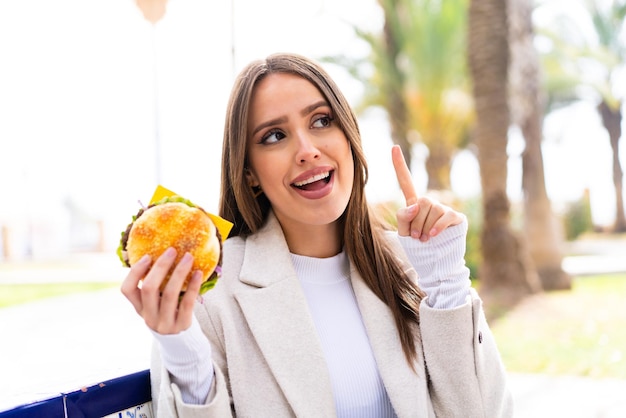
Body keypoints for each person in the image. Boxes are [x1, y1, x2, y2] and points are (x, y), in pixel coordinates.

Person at [121, 52, 513, 417]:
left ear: (349, 136)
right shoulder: (209, 297)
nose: (307, 150)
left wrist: (446, 282)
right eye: (274, 136)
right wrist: (184, 355)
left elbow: (482, 410)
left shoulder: (413, 266)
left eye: (322, 121)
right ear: (250, 174)